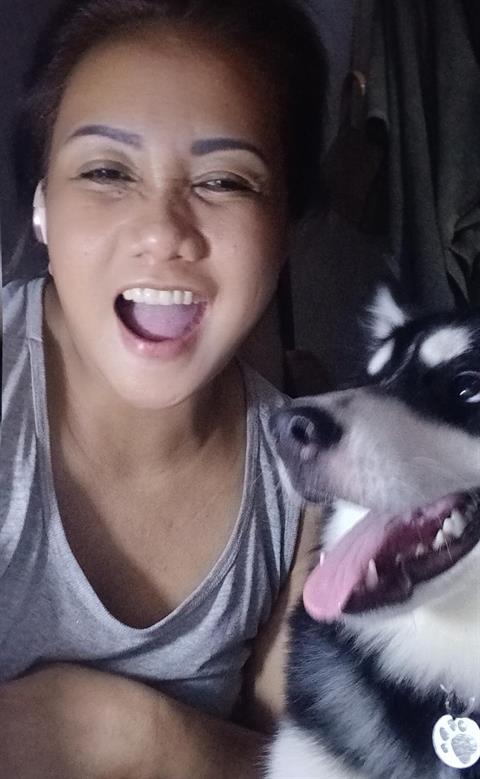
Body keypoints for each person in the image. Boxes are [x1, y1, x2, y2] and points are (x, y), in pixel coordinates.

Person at [0, 0, 327, 776]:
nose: (163, 231)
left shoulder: (308, 483)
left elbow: (298, 766)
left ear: (286, 228)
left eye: (224, 180)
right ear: (42, 203)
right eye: (107, 171)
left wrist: (131, 733)